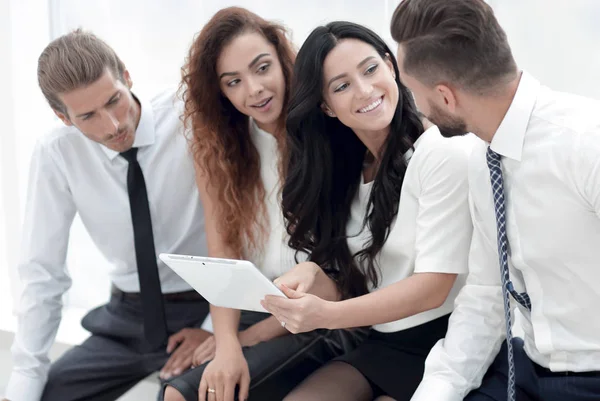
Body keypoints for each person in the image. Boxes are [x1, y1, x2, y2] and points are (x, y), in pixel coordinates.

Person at [389, 1, 600, 400]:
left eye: (412, 92)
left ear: (446, 97)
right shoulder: (482, 159)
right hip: (524, 370)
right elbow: (487, 293)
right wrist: (439, 388)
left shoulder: (586, 143)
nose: (414, 106)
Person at [261, 21, 474, 401]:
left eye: (370, 69)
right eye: (341, 86)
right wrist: (312, 275)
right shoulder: (348, 173)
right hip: (384, 340)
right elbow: (357, 287)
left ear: (391, 67)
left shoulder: (439, 152)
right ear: (326, 106)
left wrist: (323, 316)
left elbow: (433, 289)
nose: (364, 90)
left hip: (448, 338)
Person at [162, 8, 365, 401]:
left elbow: (339, 272)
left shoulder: (328, 132)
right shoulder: (218, 151)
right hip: (256, 308)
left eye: (262, 67)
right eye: (233, 82)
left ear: (283, 59)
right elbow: (223, 253)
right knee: (178, 392)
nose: (253, 89)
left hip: (319, 315)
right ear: (219, 91)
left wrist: (245, 339)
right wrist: (226, 342)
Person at [2, 30, 213, 401]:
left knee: (186, 395)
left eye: (114, 101)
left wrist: (216, 328)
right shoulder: (56, 154)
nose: (112, 126)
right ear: (62, 117)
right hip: (128, 316)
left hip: (208, 301)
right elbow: (42, 273)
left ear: (127, 77)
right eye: (88, 116)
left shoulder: (189, 117)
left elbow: (244, 228)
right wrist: (24, 377)